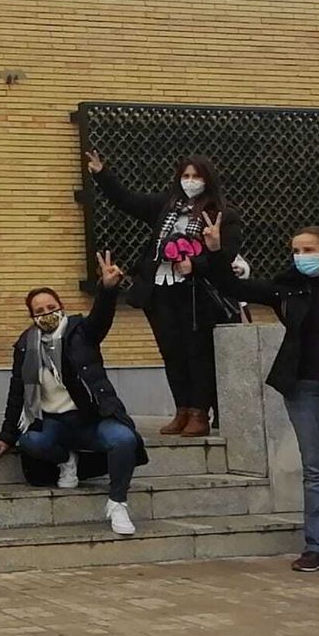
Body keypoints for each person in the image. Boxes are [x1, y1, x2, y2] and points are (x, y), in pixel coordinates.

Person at [202, 215, 319, 573]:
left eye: (308, 250)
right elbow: (231, 287)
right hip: (305, 387)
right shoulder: (288, 288)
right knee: (316, 468)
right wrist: (216, 251)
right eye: (295, 250)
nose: (300, 256)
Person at [0, 252, 148, 537]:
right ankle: (66, 461)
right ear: (32, 316)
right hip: (55, 424)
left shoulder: (81, 331)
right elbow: (17, 391)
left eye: (51, 306)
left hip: (92, 418)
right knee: (31, 441)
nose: (46, 314)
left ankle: (117, 503)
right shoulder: (26, 345)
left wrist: (107, 290)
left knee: (124, 439)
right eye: (39, 310)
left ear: (61, 306)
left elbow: (101, 318)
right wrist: (6, 436)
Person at [87, 150, 240, 438]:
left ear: (208, 180)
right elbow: (127, 201)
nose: (191, 181)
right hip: (159, 289)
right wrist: (102, 173)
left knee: (197, 353)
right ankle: (181, 409)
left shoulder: (222, 214)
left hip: (196, 293)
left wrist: (195, 263)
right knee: (171, 351)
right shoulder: (166, 206)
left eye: (196, 176)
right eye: (186, 176)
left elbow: (227, 255)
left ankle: (199, 412)